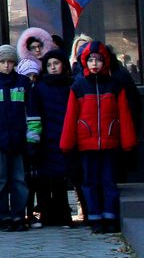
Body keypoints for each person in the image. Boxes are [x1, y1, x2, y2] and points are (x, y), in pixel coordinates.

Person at [61, 41, 137, 234]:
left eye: (99, 60)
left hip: (110, 142)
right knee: (90, 182)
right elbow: (71, 116)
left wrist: (128, 141)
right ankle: (94, 217)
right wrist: (67, 143)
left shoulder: (114, 85)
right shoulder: (78, 86)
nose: (95, 63)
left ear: (106, 62)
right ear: (85, 62)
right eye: (91, 60)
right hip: (86, 144)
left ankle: (110, 216)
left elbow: (124, 114)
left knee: (109, 181)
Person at [0, 44, 40, 232]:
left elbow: (32, 114)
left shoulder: (23, 83)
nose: (6, 65)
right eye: (2, 62)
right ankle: (3, 217)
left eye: (10, 62)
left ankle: (19, 215)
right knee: (0, 181)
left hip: (19, 141)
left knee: (19, 180)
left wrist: (32, 139)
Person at [31, 49, 75, 227]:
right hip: (46, 137)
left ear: (63, 65)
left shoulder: (71, 85)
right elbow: (35, 112)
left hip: (65, 135)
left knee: (61, 179)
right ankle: (47, 214)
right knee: (44, 178)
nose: (53, 68)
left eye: (56, 64)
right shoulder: (40, 87)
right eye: (49, 65)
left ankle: (64, 215)